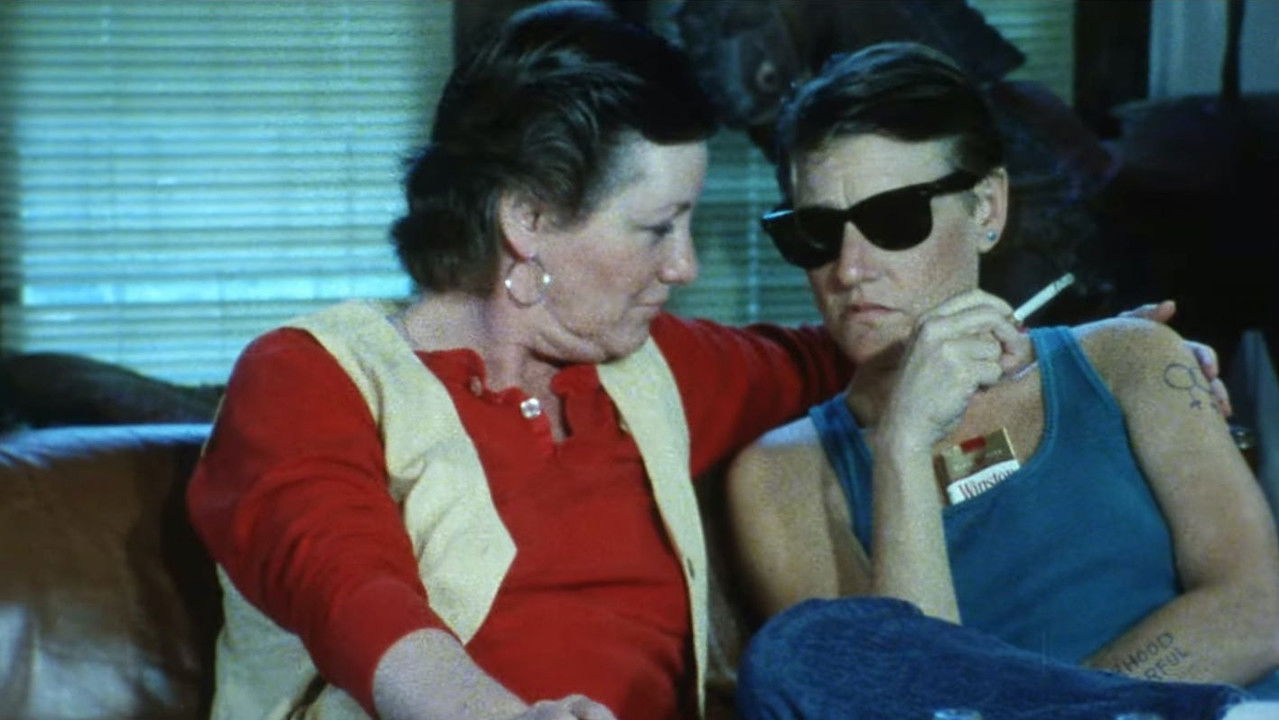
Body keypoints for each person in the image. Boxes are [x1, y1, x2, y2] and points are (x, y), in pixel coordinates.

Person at [186, 5, 1227, 719]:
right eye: (656, 227)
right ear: (527, 219)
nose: (684, 266)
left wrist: (1091, 355)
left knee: (812, 655)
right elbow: (349, 588)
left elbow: (866, 352)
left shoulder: (657, 368)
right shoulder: (314, 375)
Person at [724, 41, 1279, 719]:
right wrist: (903, 444)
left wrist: (1045, 710)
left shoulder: (1129, 358)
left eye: (894, 219)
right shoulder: (780, 478)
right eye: (815, 232)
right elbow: (902, 704)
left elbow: (1258, 610)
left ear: (986, 208)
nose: (849, 269)